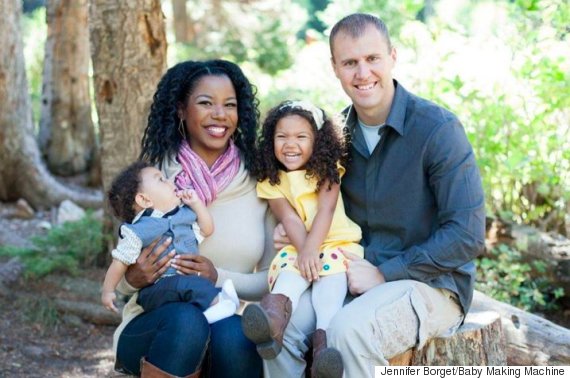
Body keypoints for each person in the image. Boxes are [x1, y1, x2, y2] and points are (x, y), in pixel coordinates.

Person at [266, 13, 486, 377]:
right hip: (346, 272)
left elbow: (467, 234)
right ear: (335, 68)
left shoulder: (438, 130)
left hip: (430, 284)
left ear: (393, 57)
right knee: (282, 328)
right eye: (350, 62)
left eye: (372, 59)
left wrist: (386, 273)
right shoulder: (333, 139)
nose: (362, 73)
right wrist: (293, 229)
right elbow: (320, 205)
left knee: (345, 332)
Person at [112, 59, 275, 378]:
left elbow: (269, 279)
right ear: (180, 110)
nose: (220, 114)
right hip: (154, 326)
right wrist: (133, 278)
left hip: (221, 319)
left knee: (237, 337)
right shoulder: (154, 180)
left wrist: (217, 276)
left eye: (230, 105)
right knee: (187, 321)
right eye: (205, 103)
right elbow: (119, 277)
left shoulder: (261, 183)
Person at [242, 100, 362, 377]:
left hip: (336, 245)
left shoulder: (327, 170)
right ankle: (272, 323)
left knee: (329, 293)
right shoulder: (271, 181)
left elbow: (326, 210)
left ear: (317, 141)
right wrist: (305, 251)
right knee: (289, 273)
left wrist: (313, 250)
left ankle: (324, 354)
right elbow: (289, 219)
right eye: (281, 137)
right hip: (298, 245)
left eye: (301, 137)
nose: (290, 144)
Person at [101, 161, 239, 324]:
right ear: (145, 200)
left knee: (191, 285)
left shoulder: (183, 216)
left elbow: (207, 229)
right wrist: (108, 291)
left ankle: (215, 306)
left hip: (186, 286)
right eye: (161, 180)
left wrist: (196, 204)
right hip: (156, 291)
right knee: (185, 284)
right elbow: (119, 263)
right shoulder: (136, 231)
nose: (171, 182)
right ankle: (217, 302)